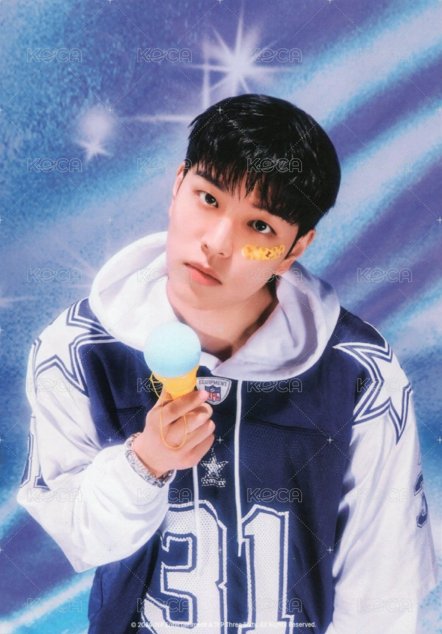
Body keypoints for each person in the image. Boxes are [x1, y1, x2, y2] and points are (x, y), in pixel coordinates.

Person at [17, 94, 437, 634]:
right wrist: (146, 463)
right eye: (208, 198)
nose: (217, 243)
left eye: (259, 226)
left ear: (294, 249)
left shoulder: (359, 373)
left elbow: (382, 587)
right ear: (177, 186)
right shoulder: (80, 349)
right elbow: (79, 535)